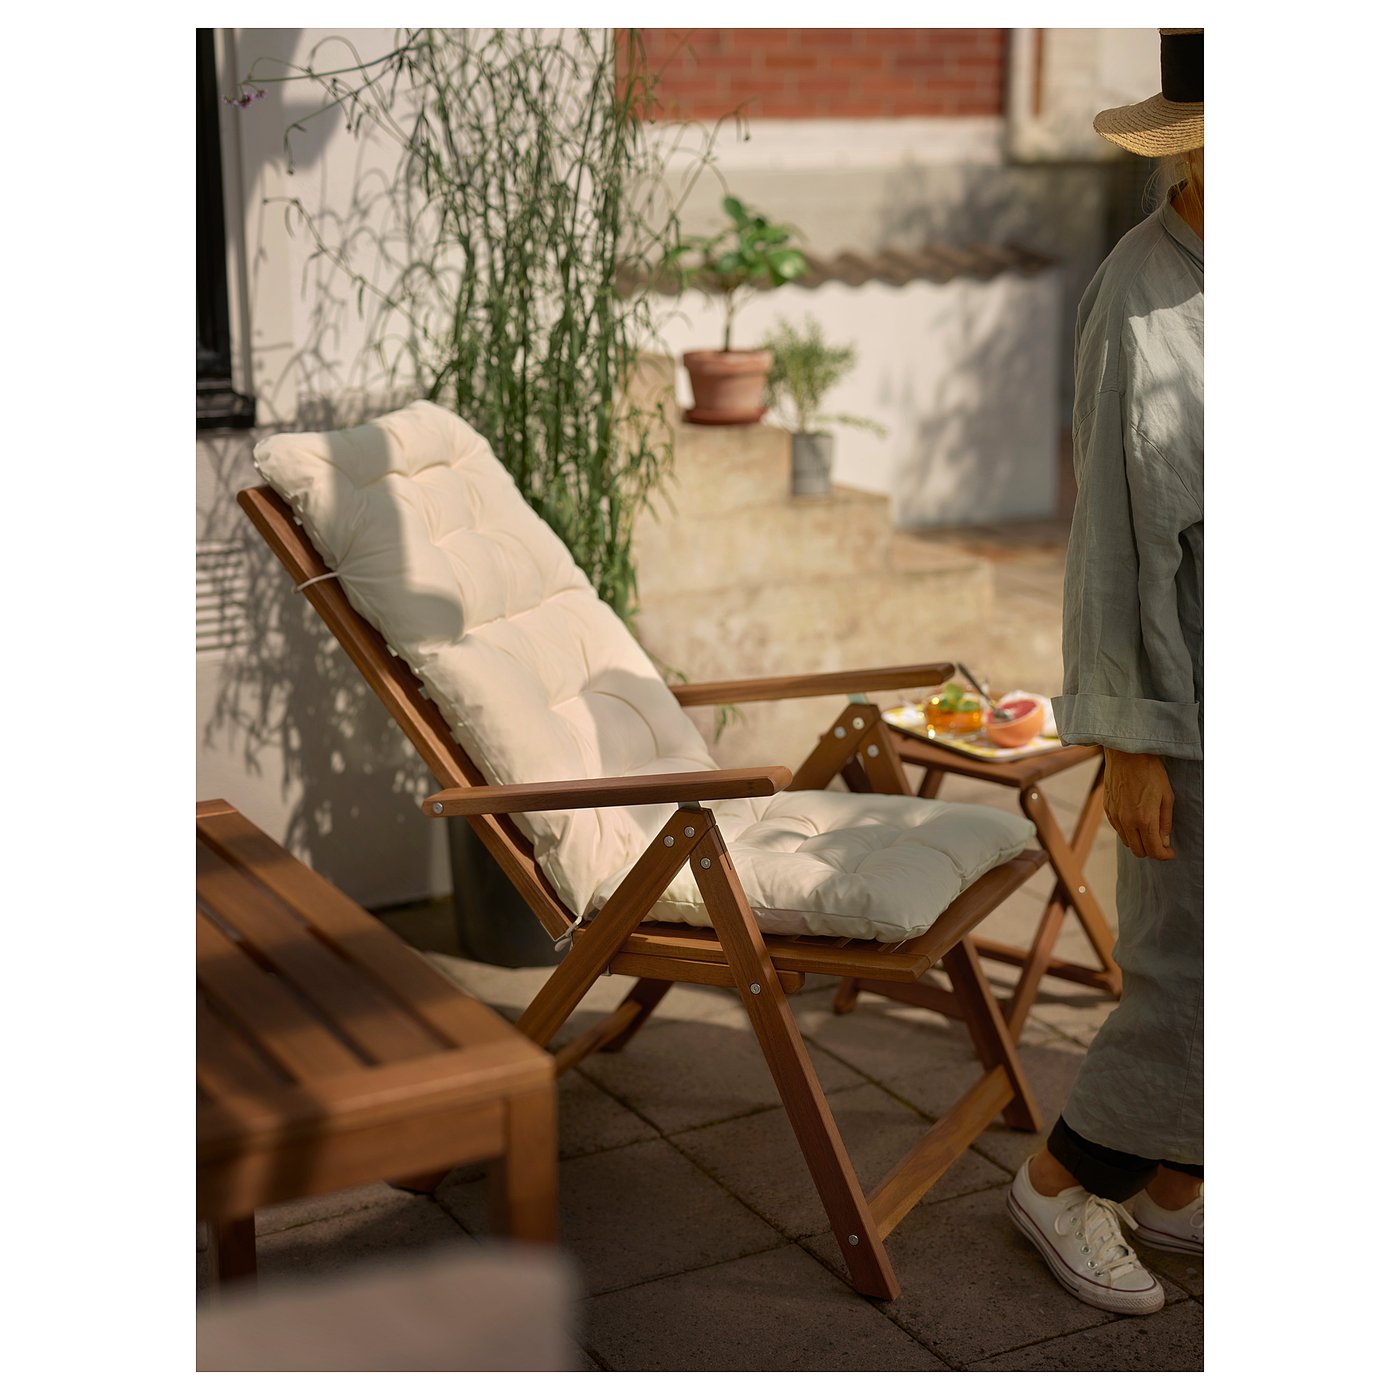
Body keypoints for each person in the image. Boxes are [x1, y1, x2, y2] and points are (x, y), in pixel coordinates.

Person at [1006, 28, 1204, 1317]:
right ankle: (1062, 1183)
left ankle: (1179, 1173)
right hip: (1193, 678)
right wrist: (1126, 737)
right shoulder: (1134, 298)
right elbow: (1102, 548)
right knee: (1196, 961)